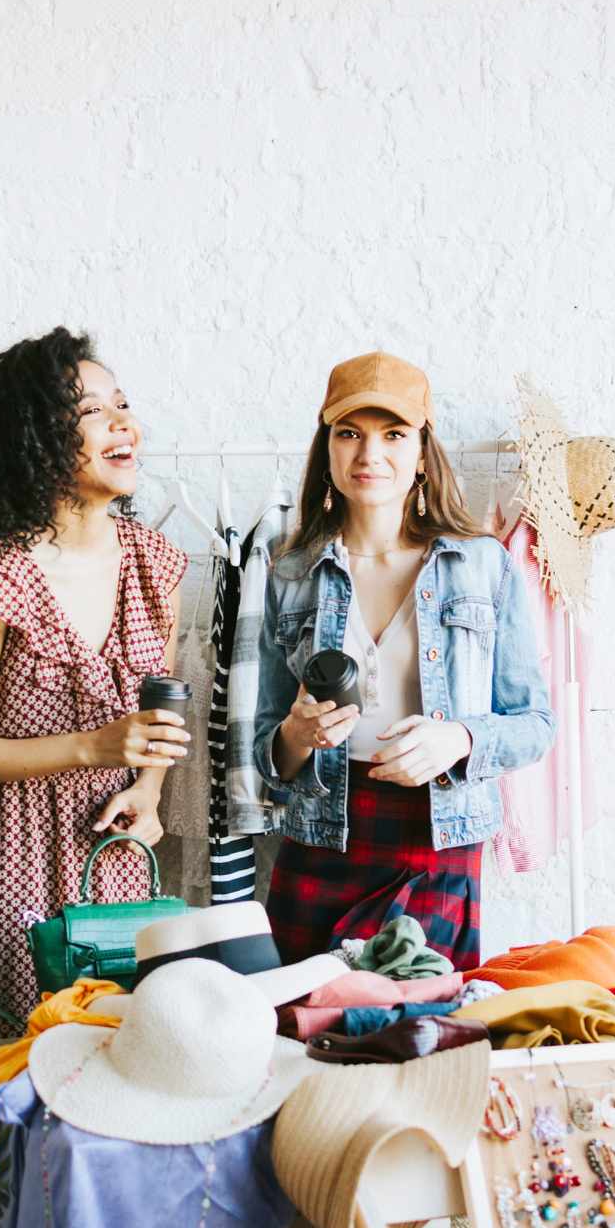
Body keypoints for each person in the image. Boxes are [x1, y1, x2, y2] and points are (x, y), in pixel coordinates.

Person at [0, 327, 191, 1035]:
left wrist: (150, 793)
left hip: (112, 861)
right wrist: (91, 747)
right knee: (0, 1076)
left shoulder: (156, 564)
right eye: (92, 411)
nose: (123, 421)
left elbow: (156, 720)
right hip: (0, 862)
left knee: (114, 1062)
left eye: (122, 404)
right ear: (35, 441)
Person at [253, 351, 556, 967]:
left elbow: (535, 725)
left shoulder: (481, 565)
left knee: (422, 1033)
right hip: (322, 838)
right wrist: (295, 735)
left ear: (422, 453)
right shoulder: (289, 572)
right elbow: (264, 753)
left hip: (436, 840)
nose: (370, 455)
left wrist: (460, 739)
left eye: (393, 435)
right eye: (350, 434)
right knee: (309, 1035)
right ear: (328, 449)